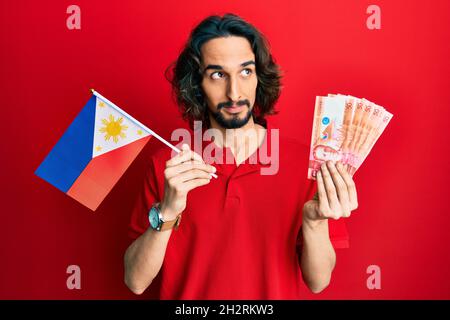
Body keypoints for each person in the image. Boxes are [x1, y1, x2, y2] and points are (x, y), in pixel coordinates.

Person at [124, 13, 358, 299]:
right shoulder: (168, 167)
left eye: (246, 71)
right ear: (197, 84)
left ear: (259, 77)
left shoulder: (306, 163)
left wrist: (313, 222)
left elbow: (319, 282)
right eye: (218, 75)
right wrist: (167, 212)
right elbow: (135, 281)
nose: (234, 93)